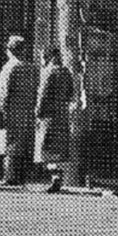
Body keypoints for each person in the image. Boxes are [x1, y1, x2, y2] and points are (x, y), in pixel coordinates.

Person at [0, 35, 38, 186]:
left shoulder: (9, 68)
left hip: (11, 111)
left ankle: (9, 177)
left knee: (9, 143)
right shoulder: (32, 68)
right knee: (23, 144)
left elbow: (3, 92)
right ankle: (21, 177)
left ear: (9, 50)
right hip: (28, 112)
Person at [34, 45, 79, 193]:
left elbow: (42, 94)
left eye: (43, 56)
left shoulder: (48, 72)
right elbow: (71, 93)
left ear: (49, 56)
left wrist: (38, 112)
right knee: (58, 150)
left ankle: (55, 176)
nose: (41, 59)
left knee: (45, 149)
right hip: (62, 115)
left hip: (49, 116)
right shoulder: (66, 72)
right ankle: (56, 175)